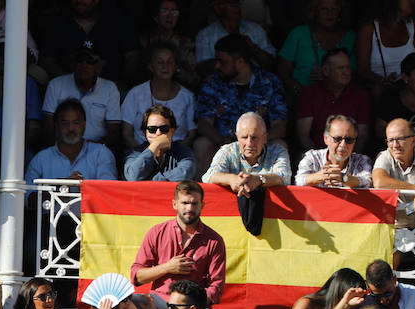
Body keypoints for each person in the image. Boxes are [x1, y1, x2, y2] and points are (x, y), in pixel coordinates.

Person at [194, 35, 286, 172]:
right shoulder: (212, 82)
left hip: (259, 147)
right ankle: (204, 193)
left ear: (240, 62)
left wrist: (257, 143)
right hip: (222, 145)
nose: (217, 65)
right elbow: (203, 123)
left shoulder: (269, 82)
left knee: (280, 145)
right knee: (201, 144)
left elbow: (280, 126)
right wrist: (222, 142)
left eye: (223, 61)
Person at [129, 182, 226, 306]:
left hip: (193, 306)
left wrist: (188, 305)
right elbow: (137, 277)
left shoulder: (214, 241)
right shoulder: (157, 232)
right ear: (175, 204)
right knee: (127, 304)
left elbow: (216, 288)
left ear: (202, 205)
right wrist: (167, 267)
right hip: (159, 302)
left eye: (194, 203)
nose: (190, 208)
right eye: (185, 203)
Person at [203, 111, 290, 197]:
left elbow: (284, 177)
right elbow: (209, 176)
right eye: (244, 137)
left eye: (254, 138)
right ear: (237, 137)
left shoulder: (277, 152)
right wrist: (232, 179)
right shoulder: (227, 151)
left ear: (265, 138)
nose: (249, 143)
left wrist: (258, 179)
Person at [123, 102, 195, 182]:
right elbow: (132, 176)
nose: (158, 133)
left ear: (172, 131)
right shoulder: (135, 153)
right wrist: (155, 146)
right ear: (145, 132)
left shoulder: (184, 152)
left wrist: (150, 180)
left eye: (164, 129)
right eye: (152, 129)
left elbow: (185, 174)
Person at [296, 113, 372, 188]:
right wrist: (322, 176)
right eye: (337, 139)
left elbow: (368, 182)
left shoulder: (362, 160)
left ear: (354, 142)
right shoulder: (312, 157)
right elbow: (298, 181)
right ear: (326, 139)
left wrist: (343, 178)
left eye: (349, 140)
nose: (343, 144)